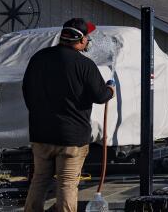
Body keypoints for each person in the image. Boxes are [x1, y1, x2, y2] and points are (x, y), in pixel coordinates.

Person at [22, 18, 115, 212]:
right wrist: (110, 90)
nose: (89, 41)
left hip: (40, 134)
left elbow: (27, 91)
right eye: (87, 37)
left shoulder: (39, 58)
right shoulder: (84, 65)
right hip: (71, 138)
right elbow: (100, 96)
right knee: (66, 183)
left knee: (39, 180)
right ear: (79, 40)